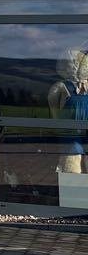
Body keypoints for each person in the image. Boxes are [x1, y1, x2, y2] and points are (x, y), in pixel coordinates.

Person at [47, 45, 88, 174]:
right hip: (70, 132)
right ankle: (73, 189)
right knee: (72, 164)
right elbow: (53, 108)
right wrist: (59, 125)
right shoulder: (61, 87)